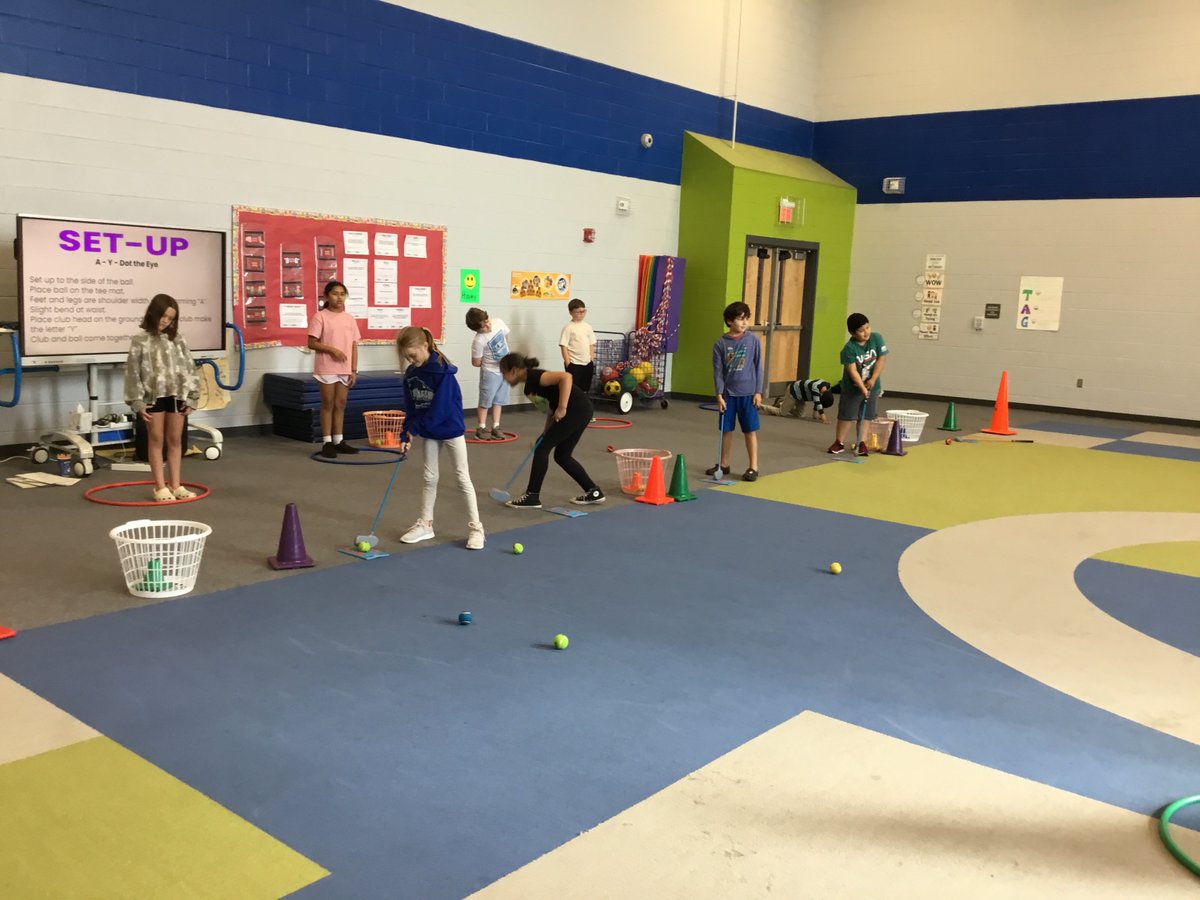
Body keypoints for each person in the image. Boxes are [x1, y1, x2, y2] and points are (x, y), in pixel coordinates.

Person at [395, 326, 485, 550]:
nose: (410, 360)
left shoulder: (442, 372)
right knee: (429, 477)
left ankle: (476, 528)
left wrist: (416, 429)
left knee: (462, 478)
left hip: (450, 428)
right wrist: (405, 431)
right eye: (406, 357)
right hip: (429, 431)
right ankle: (426, 524)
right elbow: (411, 405)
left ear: (424, 346)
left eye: (413, 355)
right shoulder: (412, 373)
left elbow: (440, 408)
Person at [498, 353, 605, 508]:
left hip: (576, 409)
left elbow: (566, 377)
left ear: (513, 370)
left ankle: (532, 496)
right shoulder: (528, 389)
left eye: (504, 374)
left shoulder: (535, 376)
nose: (503, 378)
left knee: (542, 450)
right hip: (580, 411)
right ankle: (593, 491)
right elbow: (549, 410)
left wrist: (562, 407)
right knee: (562, 456)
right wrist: (546, 431)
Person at [124, 293, 201, 502]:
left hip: (176, 396)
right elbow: (133, 373)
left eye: (171, 318)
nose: (166, 321)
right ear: (153, 313)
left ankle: (176, 485)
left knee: (175, 439)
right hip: (152, 397)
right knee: (156, 438)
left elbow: (189, 368)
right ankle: (160, 487)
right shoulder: (140, 340)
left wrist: (193, 397)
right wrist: (137, 402)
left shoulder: (178, 340)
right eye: (164, 316)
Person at [708, 301, 763, 481]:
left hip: (748, 394)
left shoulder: (753, 340)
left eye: (746, 319)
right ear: (730, 321)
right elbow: (718, 372)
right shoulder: (720, 344)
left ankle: (753, 466)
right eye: (740, 319)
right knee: (726, 430)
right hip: (728, 395)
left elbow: (758, 366)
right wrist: (719, 394)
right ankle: (724, 464)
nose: (744, 322)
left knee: (750, 430)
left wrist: (758, 391)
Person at [307, 281, 361, 458]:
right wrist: (333, 350)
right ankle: (327, 441)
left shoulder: (349, 318)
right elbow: (312, 342)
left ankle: (339, 440)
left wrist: (354, 369)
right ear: (327, 297)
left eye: (342, 294)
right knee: (328, 403)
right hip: (326, 367)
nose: (339, 297)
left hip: (344, 368)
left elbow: (354, 345)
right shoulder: (320, 316)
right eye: (335, 293)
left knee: (341, 404)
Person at [828, 312, 888, 456]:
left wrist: (872, 380)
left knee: (866, 416)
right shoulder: (849, 349)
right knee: (847, 416)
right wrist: (861, 387)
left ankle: (862, 443)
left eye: (867, 328)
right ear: (852, 333)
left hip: (872, 386)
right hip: (852, 389)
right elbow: (852, 370)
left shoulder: (877, 338)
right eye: (861, 330)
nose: (866, 332)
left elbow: (881, 359)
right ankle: (839, 442)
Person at [465, 307, 510, 440]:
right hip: (490, 373)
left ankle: (496, 427)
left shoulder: (498, 322)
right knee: (485, 401)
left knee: (499, 400)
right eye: (484, 327)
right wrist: (486, 362)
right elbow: (475, 361)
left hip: (504, 370)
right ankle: (481, 428)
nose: (488, 326)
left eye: (487, 321)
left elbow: (506, 336)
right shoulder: (479, 340)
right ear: (477, 330)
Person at [559, 298, 596, 396]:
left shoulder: (588, 326)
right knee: (573, 388)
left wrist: (591, 358)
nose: (581, 314)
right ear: (571, 312)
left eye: (583, 311)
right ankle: (572, 407)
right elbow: (564, 346)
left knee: (585, 388)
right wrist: (568, 363)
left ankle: (582, 407)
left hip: (587, 363)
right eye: (578, 312)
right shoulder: (568, 327)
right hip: (574, 363)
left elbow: (591, 343)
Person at [763, 378, 838, 423]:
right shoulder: (815, 388)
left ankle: (781, 403)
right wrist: (823, 417)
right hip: (793, 392)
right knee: (781, 413)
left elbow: (818, 401)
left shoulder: (827, 387)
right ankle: (759, 405)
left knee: (800, 415)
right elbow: (817, 402)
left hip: (801, 397)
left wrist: (815, 415)